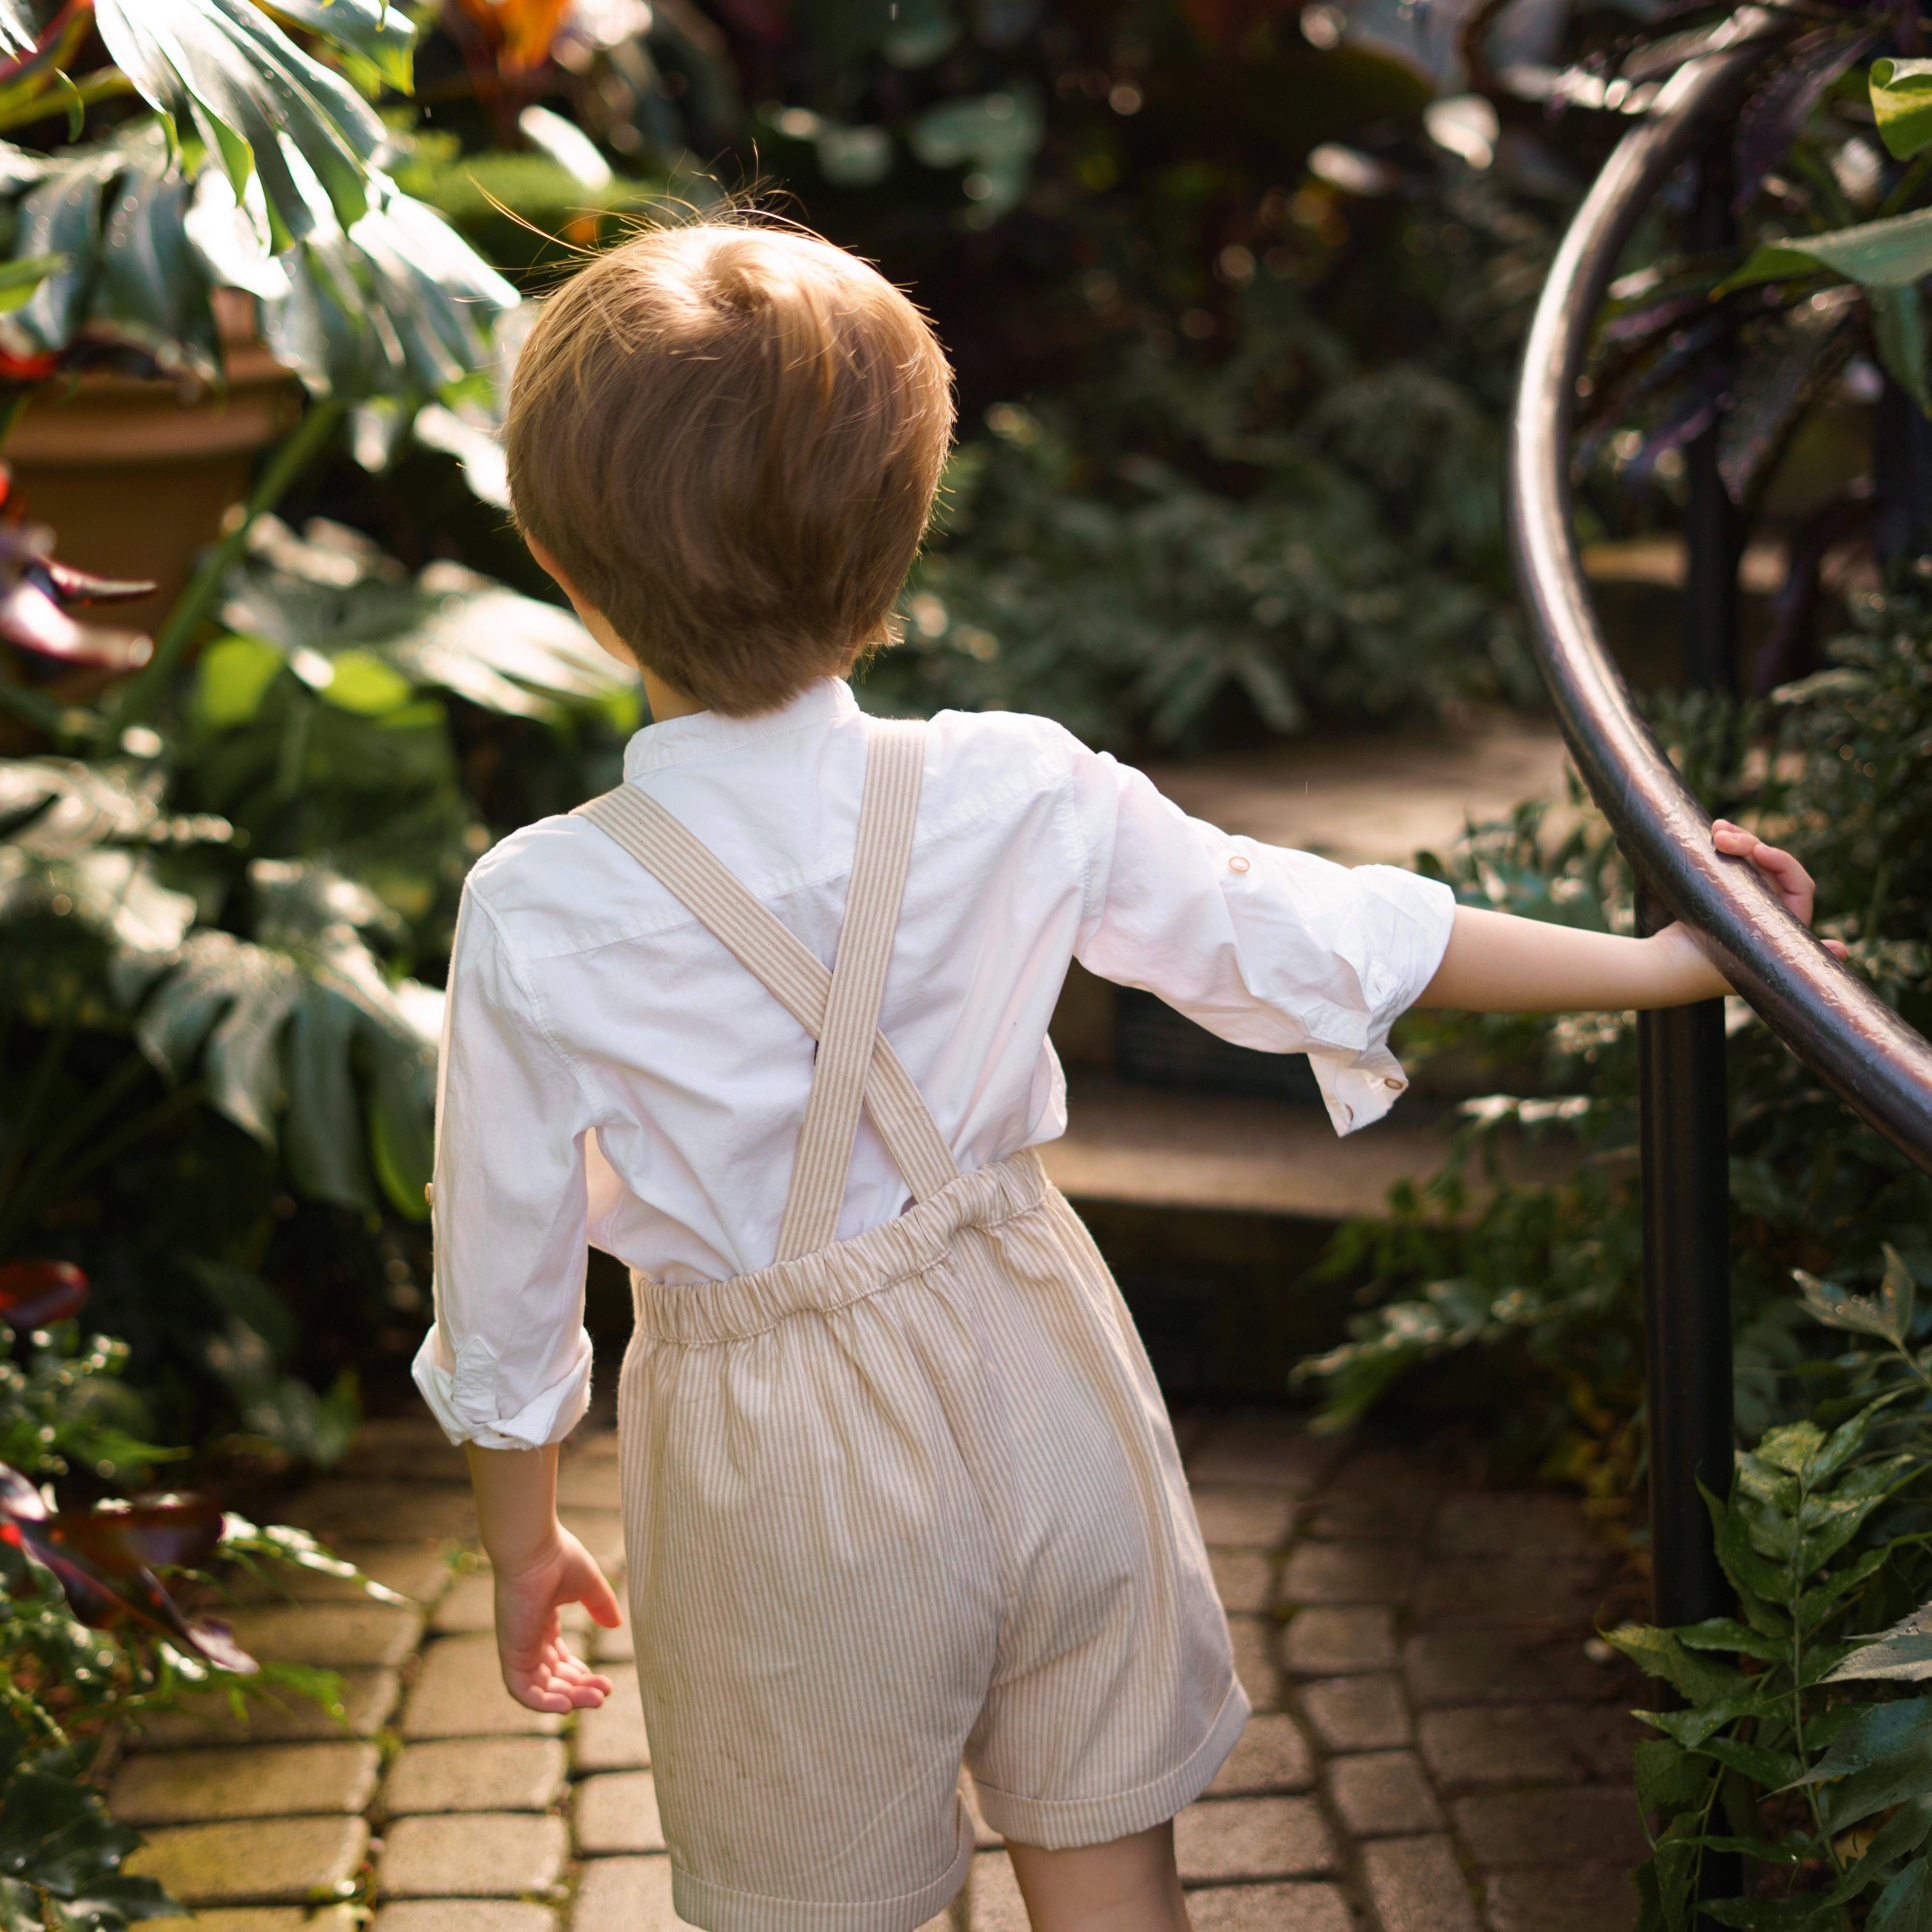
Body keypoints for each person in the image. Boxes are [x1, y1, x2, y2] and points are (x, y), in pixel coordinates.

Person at [412, 218, 1836, 1932]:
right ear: (901, 529)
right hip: (1042, 1372)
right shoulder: (1014, 788)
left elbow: (505, 1279)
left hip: (775, 1471)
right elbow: (1304, 933)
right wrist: (1673, 963)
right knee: (1111, 1883)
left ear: (566, 568)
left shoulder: (541, 906)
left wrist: (522, 1539)